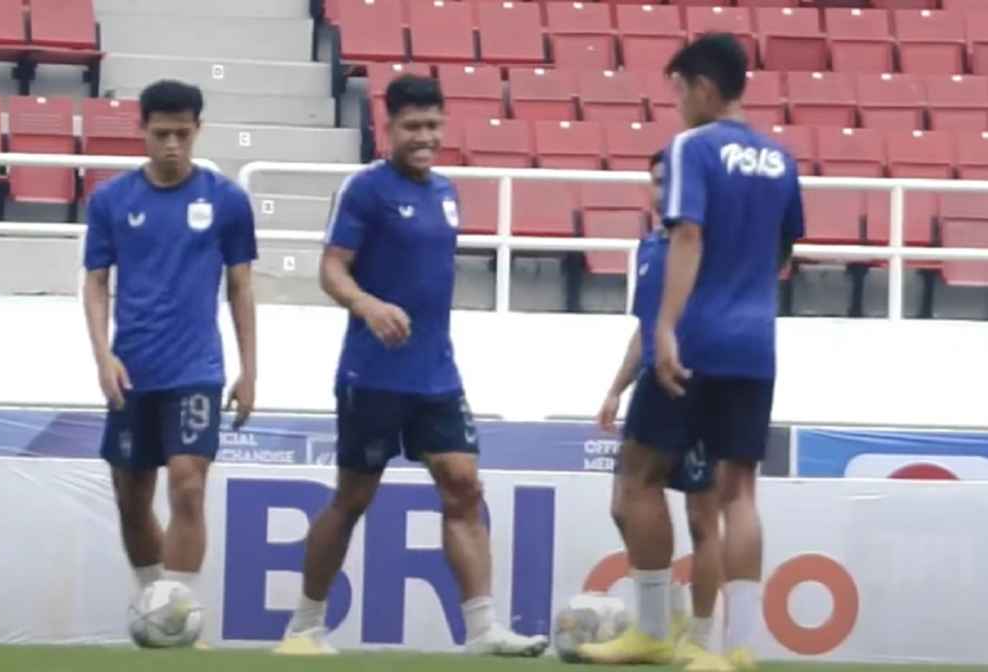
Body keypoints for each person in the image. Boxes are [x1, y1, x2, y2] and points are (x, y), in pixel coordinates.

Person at [274, 74, 548, 658]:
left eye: (432, 125)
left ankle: (481, 631)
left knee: (464, 486)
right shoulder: (364, 191)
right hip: (372, 375)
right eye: (412, 127)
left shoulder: (447, 192)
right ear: (387, 128)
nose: (424, 137)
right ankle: (303, 628)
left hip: (437, 375)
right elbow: (331, 269)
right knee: (352, 499)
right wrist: (367, 304)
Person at [581, 33, 804, 672]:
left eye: (678, 89)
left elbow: (687, 235)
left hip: (696, 340)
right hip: (756, 342)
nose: (675, 104)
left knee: (637, 479)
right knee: (740, 493)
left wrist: (668, 327)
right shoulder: (781, 159)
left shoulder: (690, 149)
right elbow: (786, 251)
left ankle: (653, 630)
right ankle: (739, 650)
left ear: (702, 86)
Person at [83, 80, 258, 627]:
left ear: (198, 130)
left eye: (183, 133)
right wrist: (101, 357)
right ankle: (155, 605)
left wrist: (250, 369)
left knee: (188, 483)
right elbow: (94, 283)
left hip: (196, 370)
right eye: (161, 134)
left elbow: (241, 287)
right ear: (142, 131)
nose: (173, 145)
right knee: (131, 500)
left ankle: (177, 614)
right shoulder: (111, 200)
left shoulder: (226, 200)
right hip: (132, 369)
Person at [593, 150, 723, 666]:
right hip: (653, 379)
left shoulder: (706, 247)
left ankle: (700, 639)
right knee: (625, 503)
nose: (661, 191)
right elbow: (645, 328)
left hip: (701, 381)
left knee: (702, 517)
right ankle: (662, 622)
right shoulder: (648, 248)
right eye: (654, 182)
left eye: (669, 182)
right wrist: (615, 388)